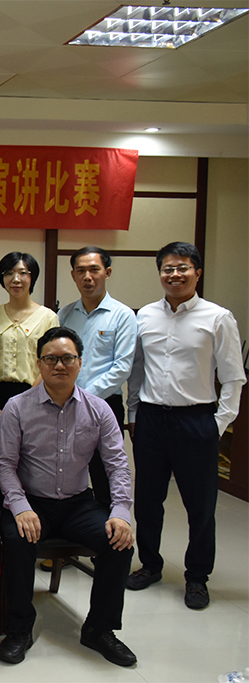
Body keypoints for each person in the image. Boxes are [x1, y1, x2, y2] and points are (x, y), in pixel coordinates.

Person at [0, 327, 136, 667]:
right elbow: (4, 464)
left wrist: (121, 511)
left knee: (119, 542)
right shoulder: (17, 407)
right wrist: (20, 507)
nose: (60, 365)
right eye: (51, 359)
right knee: (16, 540)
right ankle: (18, 629)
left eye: (68, 358)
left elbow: (117, 465)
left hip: (77, 503)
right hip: (32, 502)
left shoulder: (99, 409)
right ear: (39, 364)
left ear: (80, 363)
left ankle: (99, 629)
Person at [126, 242, 246, 610]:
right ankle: (150, 564)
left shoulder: (218, 318)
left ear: (197, 272)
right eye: (168, 268)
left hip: (196, 419)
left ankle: (197, 577)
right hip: (150, 418)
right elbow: (137, 370)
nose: (175, 275)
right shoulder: (145, 316)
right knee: (148, 500)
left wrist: (217, 424)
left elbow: (233, 377)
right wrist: (133, 413)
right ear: (160, 273)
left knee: (200, 504)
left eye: (183, 268)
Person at [57, 246, 136, 508]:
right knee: (66, 472)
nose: (87, 277)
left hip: (105, 405)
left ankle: (110, 528)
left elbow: (122, 367)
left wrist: (84, 397)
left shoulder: (122, 315)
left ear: (107, 272)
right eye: (81, 271)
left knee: (105, 474)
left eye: (94, 270)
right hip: (65, 406)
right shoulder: (64, 315)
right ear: (73, 275)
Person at [0, 252, 58, 415]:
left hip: (36, 395)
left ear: (33, 277)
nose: (16, 279)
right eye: (9, 273)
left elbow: (50, 363)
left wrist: (28, 399)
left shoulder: (48, 317)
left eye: (23, 273)